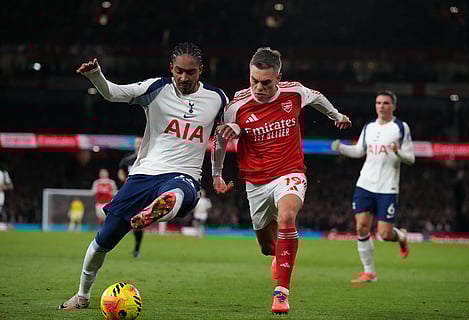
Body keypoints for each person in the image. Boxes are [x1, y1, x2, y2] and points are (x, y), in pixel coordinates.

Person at [59, 42, 228, 310]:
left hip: (183, 175)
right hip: (144, 175)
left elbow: (221, 140)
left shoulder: (218, 98)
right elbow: (113, 93)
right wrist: (95, 75)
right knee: (103, 241)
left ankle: (162, 207)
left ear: (201, 71)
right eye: (179, 72)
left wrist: (217, 173)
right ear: (171, 68)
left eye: (191, 72)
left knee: (179, 193)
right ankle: (81, 297)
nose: (184, 78)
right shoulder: (156, 89)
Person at [211, 47, 352, 314]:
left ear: (278, 77)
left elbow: (318, 97)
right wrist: (217, 174)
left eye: (266, 82)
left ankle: (281, 293)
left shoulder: (294, 92)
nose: (259, 88)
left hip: (290, 171)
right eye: (254, 81)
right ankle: (279, 255)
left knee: (287, 217)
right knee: (267, 248)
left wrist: (337, 116)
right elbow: (220, 140)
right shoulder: (236, 105)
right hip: (256, 181)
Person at [331, 90, 415, 283]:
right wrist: (341, 148)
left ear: (393, 106)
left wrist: (398, 152)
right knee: (361, 227)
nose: (381, 106)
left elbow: (411, 158)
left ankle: (401, 236)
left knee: (384, 234)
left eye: (386, 103)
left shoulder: (401, 127)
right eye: (378, 103)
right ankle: (369, 272)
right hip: (365, 184)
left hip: (387, 187)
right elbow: (360, 151)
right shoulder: (369, 127)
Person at [118, 137, 144, 258]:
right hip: (128, 193)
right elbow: (121, 170)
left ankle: (137, 249)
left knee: (139, 222)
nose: (138, 145)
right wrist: (124, 179)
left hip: (142, 194)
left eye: (140, 143)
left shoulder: (147, 158)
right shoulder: (128, 159)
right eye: (137, 143)